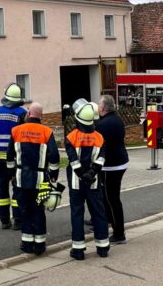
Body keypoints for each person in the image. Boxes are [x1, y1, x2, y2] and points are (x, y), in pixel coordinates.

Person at [7, 102, 60, 255]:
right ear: (41, 116)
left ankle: (27, 243)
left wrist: (11, 173)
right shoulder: (46, 132)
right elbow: (54, 156)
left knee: (24, 210)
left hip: (21, 178)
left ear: (28, 114)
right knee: (39, 209)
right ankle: (40, 244)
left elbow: (9, 155)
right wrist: (54, 174)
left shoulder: (16, 130)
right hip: (41, 179)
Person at [65, 100, 109, 260]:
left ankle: (78, 250)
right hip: (94, 182)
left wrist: (81, 174)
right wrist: (91, 173)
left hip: (77, 183)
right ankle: (103, 247)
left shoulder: (71, 137)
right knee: (98, 212)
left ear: (78, 118)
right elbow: (101, 159)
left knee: (77, 214)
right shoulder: (100, 137)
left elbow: (72, 160)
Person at [0, 83, 28, 230]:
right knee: (17, 187)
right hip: (15, 158)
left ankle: (4, 220)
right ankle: (18, 220)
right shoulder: (22, 113)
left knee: (1, 188)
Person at [96, 94, 129, 245]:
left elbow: (100, 146)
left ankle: (119, 233)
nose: (97, 106)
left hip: (111, 166)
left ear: (102, 108)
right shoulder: (117, 119)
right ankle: (109, 221)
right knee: (108, 196)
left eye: (98, 104)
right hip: (120, 162)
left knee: (112, 198)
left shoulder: (103, 125)